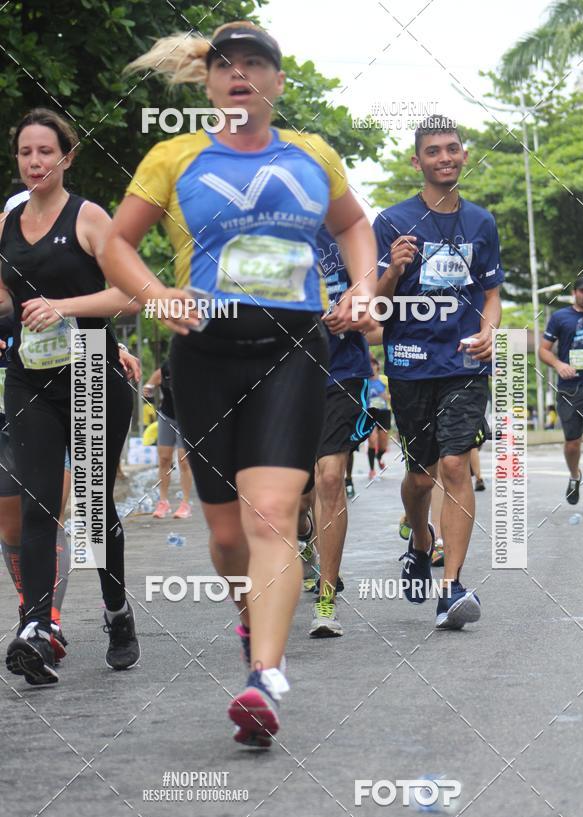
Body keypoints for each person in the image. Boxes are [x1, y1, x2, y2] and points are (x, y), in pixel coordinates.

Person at [100, 22, 376, 746]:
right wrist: (156, 291)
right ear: (211, 82)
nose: (241, 74)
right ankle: (254, 611)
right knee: (225, 535)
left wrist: (364, 283)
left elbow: (353, 226)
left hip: (292, 347)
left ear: (278, 83)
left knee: (271, 516)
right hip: (204, 354)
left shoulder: (313, 155)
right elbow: (117, 243)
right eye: (227, 65)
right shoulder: (174, 157)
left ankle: (264, 677)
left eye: (257, 64)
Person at [1, 108, 141, 685]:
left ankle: (117, 611)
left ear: (67, 156)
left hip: (89, 372)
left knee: (89, 509)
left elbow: (132, 295)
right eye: (26, 152)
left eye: (46, 152)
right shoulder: (6, 220)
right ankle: (38, 630)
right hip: (29, 375)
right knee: (38, 502)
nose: (35, 162)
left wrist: (65, 307)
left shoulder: (88, 218)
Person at [374, 114, 503, 630]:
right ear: (418, 161)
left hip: (464, 363)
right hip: (409, 366)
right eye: (434, 151)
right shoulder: (389, 222)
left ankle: (451, 589)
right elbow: (374, 307)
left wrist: (491, 330)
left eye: (453, 148)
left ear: (464, 155)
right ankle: (419, 538)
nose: (445, 157)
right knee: (421, 475)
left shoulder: (482, 223)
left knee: (455, 467)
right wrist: (392, 270)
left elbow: (490, 295)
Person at [305, 225, 374, 638]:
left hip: (340, 372)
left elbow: (376, 300)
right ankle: (305, 540)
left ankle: (326, 599)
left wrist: (357, 307)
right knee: (294, 497)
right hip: (284, 375)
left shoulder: (347, 233)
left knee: (330, 477)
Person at [540, 274, 583, 513]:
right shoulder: (560, 317)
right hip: (569, 389)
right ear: (575, 293)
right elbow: (543, 350)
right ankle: (575, 475)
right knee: (572, 443)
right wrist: (558, 365)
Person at [143, 358, 193, 519]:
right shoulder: (165, 369)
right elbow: (149, 386)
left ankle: (185, 504)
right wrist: (148, 390)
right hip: (167, 415)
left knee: (183, 460)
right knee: (164, 459)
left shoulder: (197, 367)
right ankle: (163, 502)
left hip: (187, 417)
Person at [366, 357, 390, 480]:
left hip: (384, 413)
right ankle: (371, 469)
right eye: (368, 365)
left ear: (377, 366)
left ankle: (379, 457)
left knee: (383, 443)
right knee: (372, 439)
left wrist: (386, 397)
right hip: (370, 412)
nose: (371, 367)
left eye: (373, 364)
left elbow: (393, 394)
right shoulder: (364, 381)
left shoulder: (384, 379)